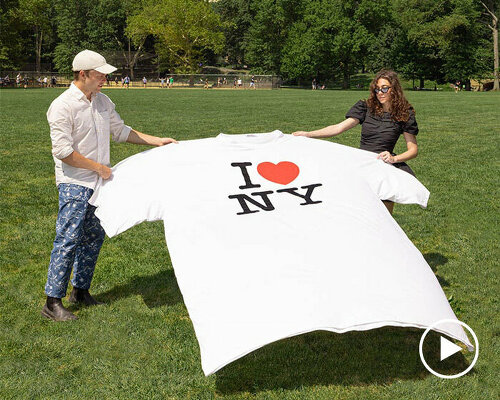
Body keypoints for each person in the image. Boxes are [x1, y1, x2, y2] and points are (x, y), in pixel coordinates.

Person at [42, 50, 178, 321]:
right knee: (68, 239)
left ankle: (80, 291)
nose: (105, 78)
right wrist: (98, 167)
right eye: (100, 74)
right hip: (75, 182)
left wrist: (157, 140)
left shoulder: (103, 101)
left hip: (100, 182)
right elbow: (63, 151)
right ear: (83, 74)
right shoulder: (62, 105)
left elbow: (121, 131)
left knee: (94, 237)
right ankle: (52, 302)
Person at [293, 69, 419, 215]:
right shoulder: (366, 108)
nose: (380, 92)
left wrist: (393, 158)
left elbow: (413, 150)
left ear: (394, 89)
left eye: (385, 88)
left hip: (384, 168)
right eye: (377, 89)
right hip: (363, 165)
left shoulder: (404, 114)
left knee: (384, 217)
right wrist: (308, 134)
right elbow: (339, 128)